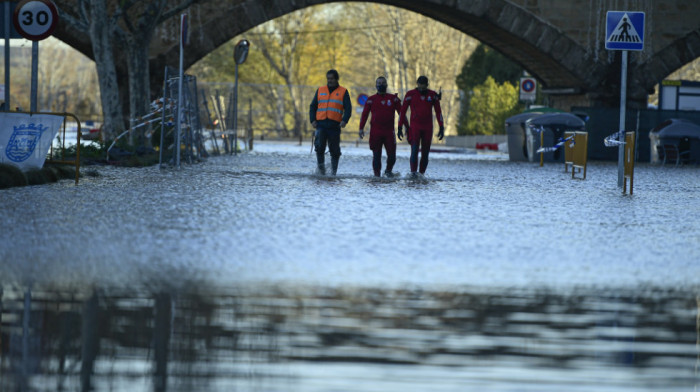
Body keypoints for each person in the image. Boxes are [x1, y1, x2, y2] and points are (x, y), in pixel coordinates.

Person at [358, 76, 407, 177]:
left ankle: (388, 171)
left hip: (389, 132)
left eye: (383, 83)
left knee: (392, 156)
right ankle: (377, 176)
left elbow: (401, 114)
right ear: (376, 85)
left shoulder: (393, 99)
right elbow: (364, 115)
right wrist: (361, 128)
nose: (381, 85)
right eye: (379, 83)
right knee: (376, 156)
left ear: (386, 85)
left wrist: (406, 127)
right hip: (375, 132)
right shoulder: (371, 100)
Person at [398, 75, 444, 176]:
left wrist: (441, 127)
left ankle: (421, 174)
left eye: (424, 87)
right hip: (415, 127)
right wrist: (399, 127)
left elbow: (438, 112)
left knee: (425, 152)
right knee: (414, 150)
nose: (421, 89)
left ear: (427, 85)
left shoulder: (432, 95)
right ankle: (413, 173)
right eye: (420, 87)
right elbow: (402, 111)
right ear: (417, 84)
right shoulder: (410, 94)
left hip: (428, 128)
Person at [309, 69, 352, 175]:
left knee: (335, 151)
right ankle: (321, 171)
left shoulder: (343, 91)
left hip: (334, 126)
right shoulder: (320, 90)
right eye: (328, 79)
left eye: (332, 79)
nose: (330, 81)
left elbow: (348, 108)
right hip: (321, 125)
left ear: (337, 79)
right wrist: (312, 120)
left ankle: (333, 173)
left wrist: (344, 121)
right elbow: (312, 106)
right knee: (319, 148)